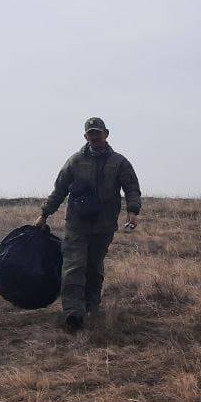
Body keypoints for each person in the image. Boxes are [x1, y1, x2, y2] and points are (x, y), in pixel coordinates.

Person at [35, 117, 141, 331]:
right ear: (85, 136)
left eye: (98, 133)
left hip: (104, 225)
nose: (94, 137)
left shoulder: (119, 162)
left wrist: (133, 211)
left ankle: (92, 307)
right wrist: (45, 214)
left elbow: (131, 187)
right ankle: (73, 314)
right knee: (73, 267)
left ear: (106, 134)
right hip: (77, 224)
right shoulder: (75, 161)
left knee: (94, 268)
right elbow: (60, 189)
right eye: (91, 133)